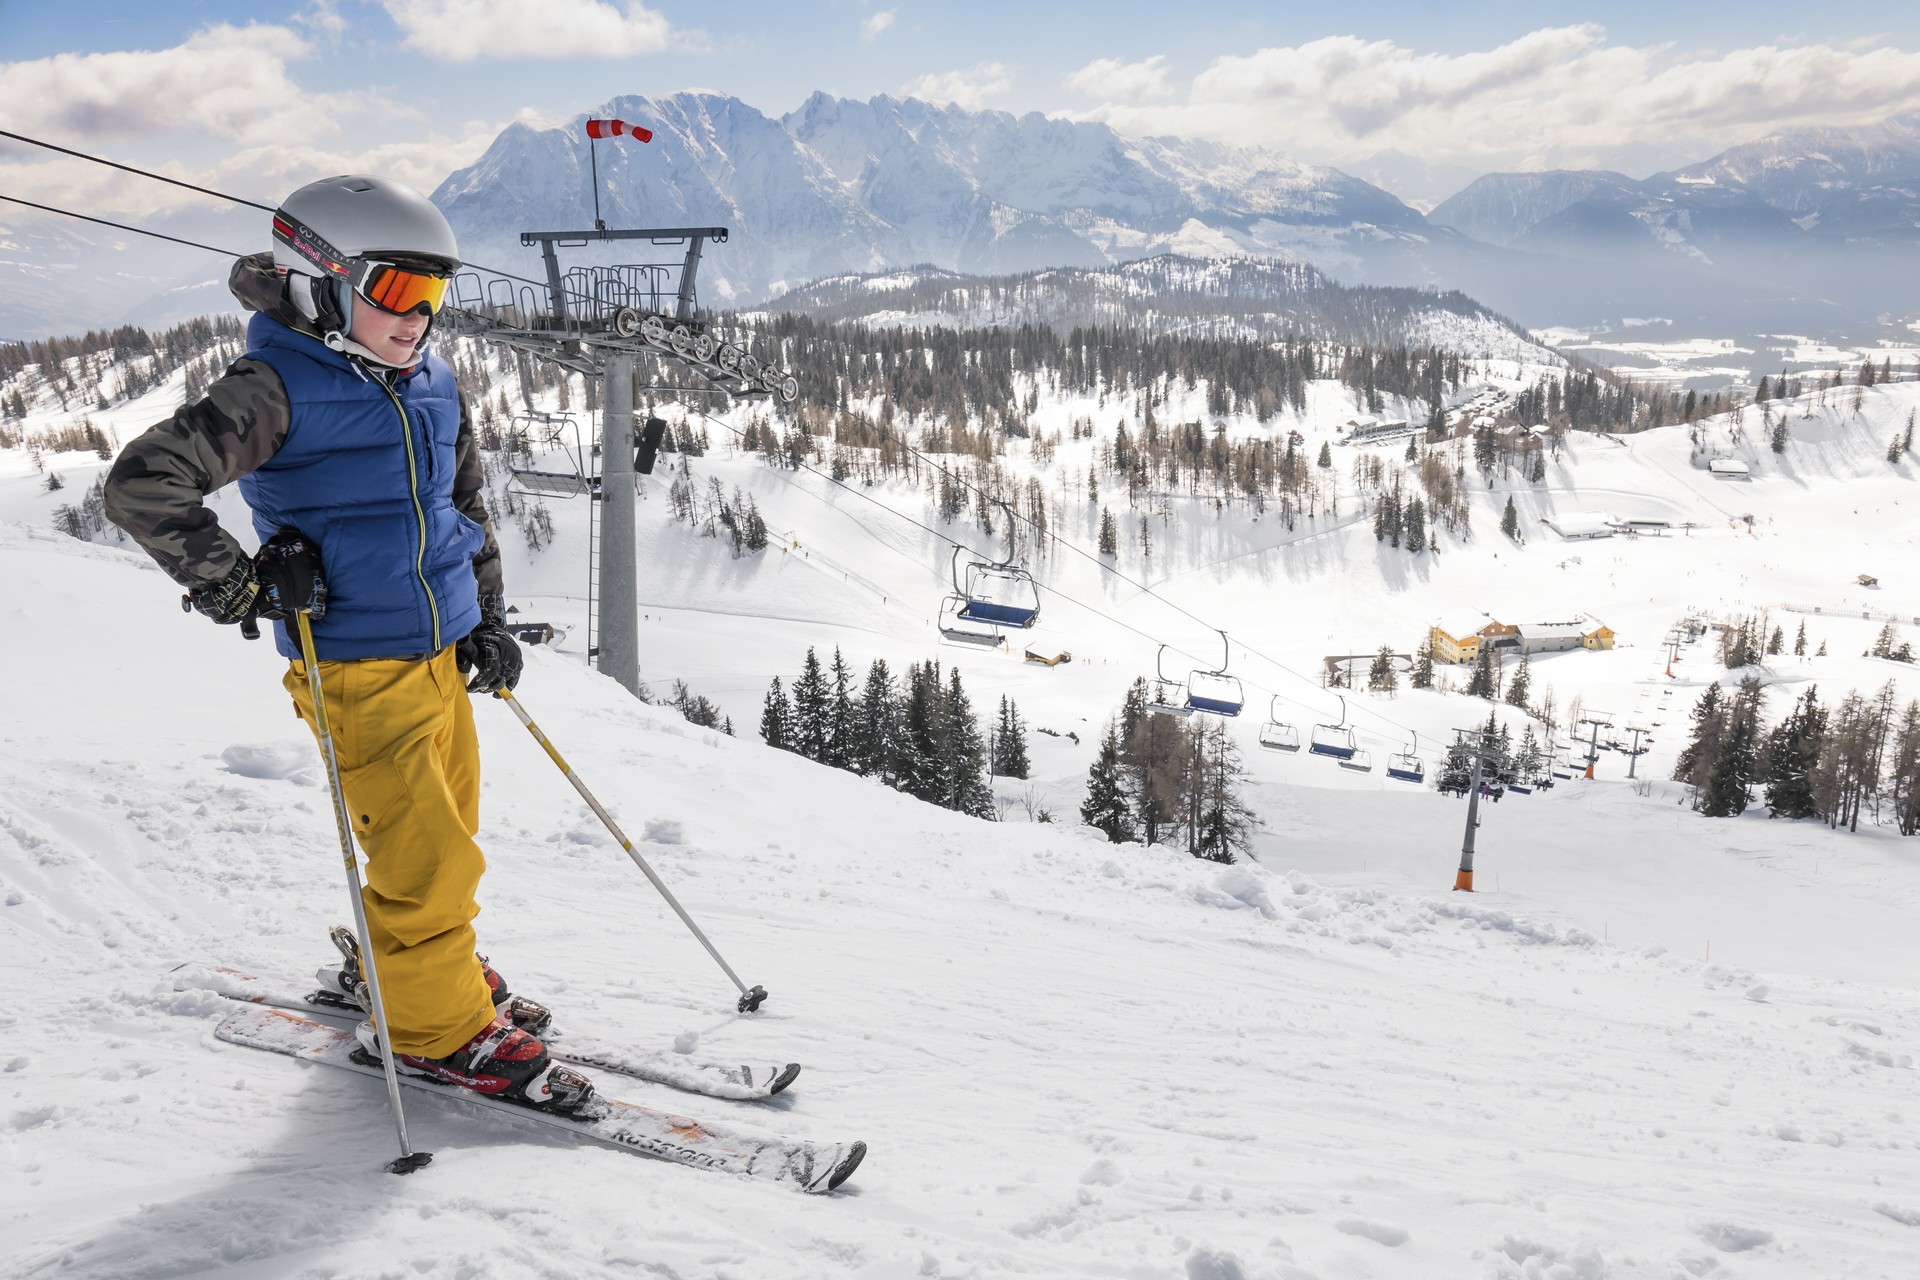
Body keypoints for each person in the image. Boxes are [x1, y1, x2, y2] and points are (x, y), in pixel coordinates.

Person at [104, 175, 584, 1111]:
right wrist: (233, 581)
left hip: (439, 649)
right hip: (357, 662)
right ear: (320, 282)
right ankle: (432, 1031)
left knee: (445, 833)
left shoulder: (431, 381)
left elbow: (464, 507)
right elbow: (143, 484)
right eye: (396, 293)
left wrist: (484, 617)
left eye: (433, 296)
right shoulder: (275, 389)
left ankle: (408, 967)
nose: (419, 321)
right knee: (426, 856)